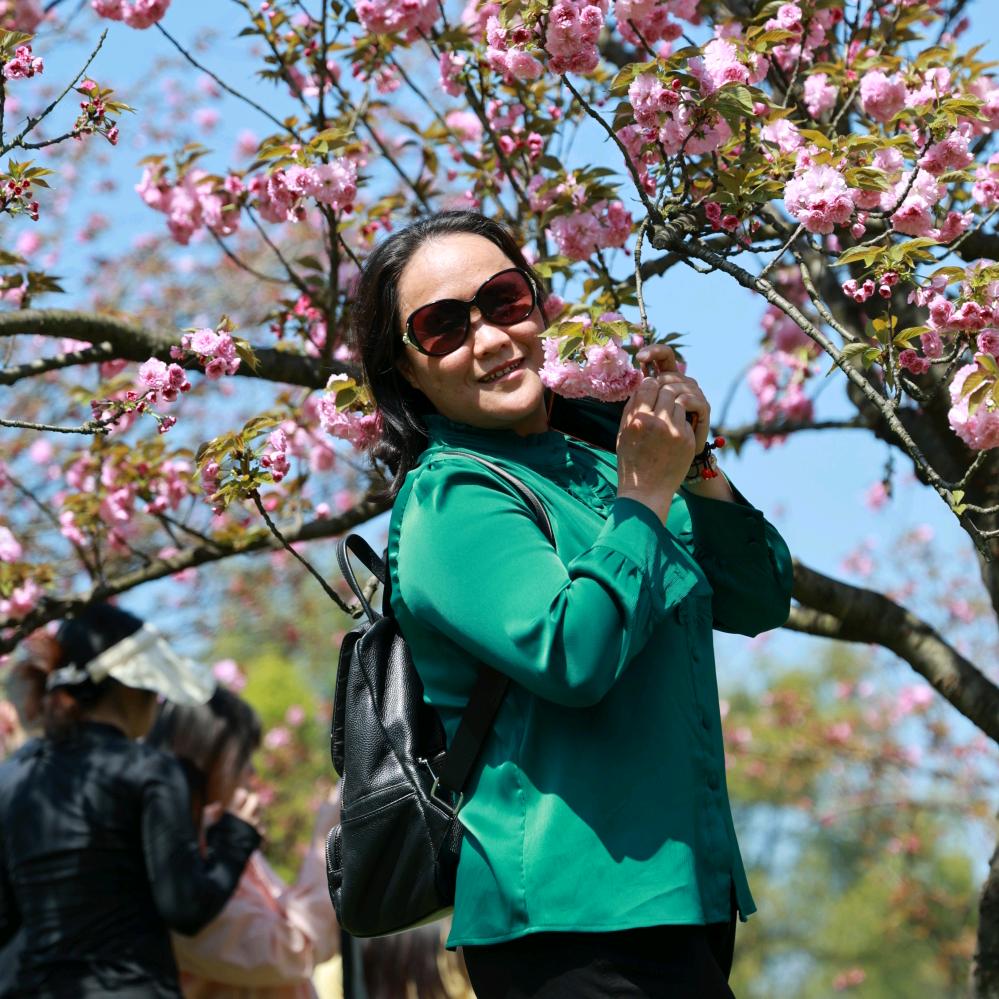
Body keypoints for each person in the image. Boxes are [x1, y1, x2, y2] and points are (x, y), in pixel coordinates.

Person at [352, 210, 794, 998]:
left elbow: (758, 596)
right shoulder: (450, 497)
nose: (488, 338)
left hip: (680, 902)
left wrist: (692, 468)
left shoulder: (598, 464)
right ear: (407, 371)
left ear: (537, 304)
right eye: (442, 327)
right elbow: (573, 653)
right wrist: (647, 491)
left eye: (504, 301)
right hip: (564, 926)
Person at [0, 603, 262, 998]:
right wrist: (235, 837)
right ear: (128, 685)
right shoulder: (148, 771)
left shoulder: (12, 778)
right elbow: (186, 908)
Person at [146, 688, 341, 999]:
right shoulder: (177, 871)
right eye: (241, 757)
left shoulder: (223, 839)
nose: (251, 773)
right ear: (204, 757)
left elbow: (291, 920)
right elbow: (293, 949)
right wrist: (325, 838)